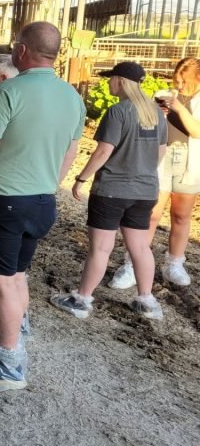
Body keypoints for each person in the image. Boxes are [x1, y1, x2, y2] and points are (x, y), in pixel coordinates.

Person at [0, 21, 85, 391]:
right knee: (17, 276)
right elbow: (70, 152)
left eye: (15, 45)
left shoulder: (8, 91)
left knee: (0, 282)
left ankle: (8, 364)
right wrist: (49, 184)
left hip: (3, 200)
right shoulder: (72, 96)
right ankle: (9, 338)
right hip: (42, 200)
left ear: (23, 50)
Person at [51, 62, 167, 320]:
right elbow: (161, 151)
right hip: (145, 190)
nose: (108, 83)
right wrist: (143, 170)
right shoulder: (156, 113)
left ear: (120, 81)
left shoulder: (118, 111)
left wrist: (81, 178)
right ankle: (147, 301)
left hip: (113, 189)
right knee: (140, 247)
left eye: (110, 79)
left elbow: (104, 150)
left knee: (101, 248)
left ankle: (82, 300)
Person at [110, 56, 200, 289]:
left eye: (185, 81)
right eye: (177, 80)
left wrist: (179, 108)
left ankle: (174, 264)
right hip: (162, 157)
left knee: (181, 216)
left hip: (189, 161)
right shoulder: (164, 95)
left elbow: (197, 131)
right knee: (150, 214)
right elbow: (147, 124)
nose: (179, 85)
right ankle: (132, 265)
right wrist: (158, 112)